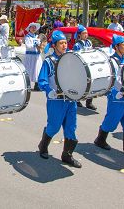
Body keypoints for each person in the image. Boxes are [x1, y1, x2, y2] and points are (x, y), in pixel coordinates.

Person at [37, 30, 82, 168]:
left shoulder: (70, 59)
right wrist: (49, 91)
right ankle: (43, 146)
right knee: (54, 126)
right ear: (54, 45)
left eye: (65, 43)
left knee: (71, 127)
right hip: (56, 100)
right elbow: (42, 81)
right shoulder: (49, 61)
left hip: (70, 99)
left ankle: (67, 155)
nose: (64, 45)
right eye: (61, 43)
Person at [94, 34, 124, 159]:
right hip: (117, 96)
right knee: (111, 121)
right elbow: (110, 81)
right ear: (116, 47)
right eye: (123, 45)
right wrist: (115, 93)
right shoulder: (112, 62)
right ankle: (100, 139)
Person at [72, 25, 97, 110]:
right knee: (80, 84)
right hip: (81, 67)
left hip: (89, 65)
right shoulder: (77, 45)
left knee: (91, 84)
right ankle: (77, 100)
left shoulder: (89, 42)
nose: (86, 35)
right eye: (84, 33)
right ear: (79, 35)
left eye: (86, 33)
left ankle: (89, 102)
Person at [23, 22, 43, 91]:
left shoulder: (37, 37)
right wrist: (35, 44)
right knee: (29, 69)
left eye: (35, 27)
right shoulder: (27, 37)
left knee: (37, 70)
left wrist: (40, 45)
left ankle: (37, 84)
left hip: (37, 56)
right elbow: (28, 46)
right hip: (30, 56)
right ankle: (27, 84)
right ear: (29, 28)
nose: (34, 28)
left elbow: (41, 46)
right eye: (32, 27)